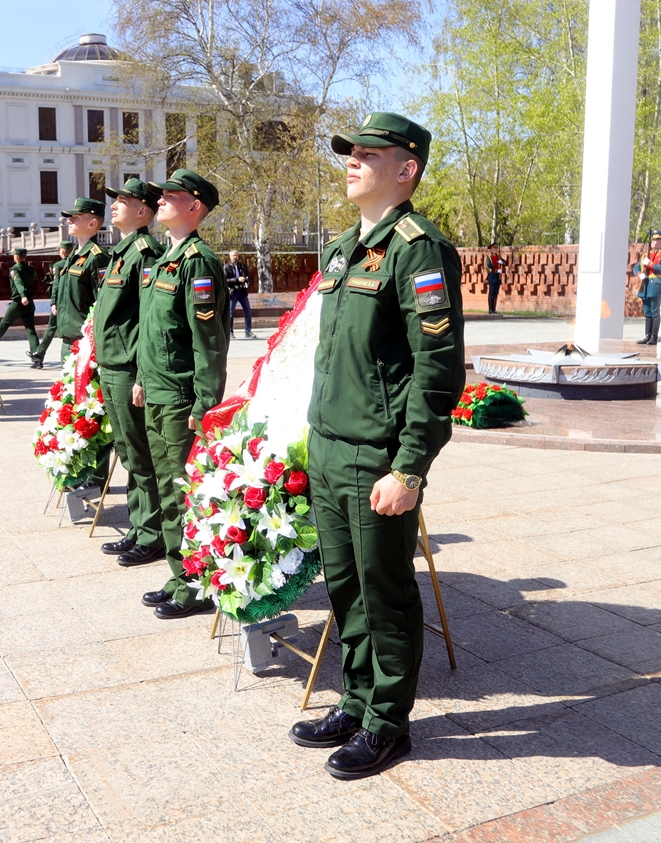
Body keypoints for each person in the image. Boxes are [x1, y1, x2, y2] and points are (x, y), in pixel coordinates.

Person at [288, 112, 465, 780]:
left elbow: (437, 369)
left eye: (368, 153)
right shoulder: (341, 249)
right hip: (330, 447)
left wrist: (410, 466)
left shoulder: (419, 249)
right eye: (350, 152)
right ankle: (357, 700)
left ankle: (388, 723)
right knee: (345, 589)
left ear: (407, 168)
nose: (352, 161)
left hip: (377, 458)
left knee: (384, 593)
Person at [136, 169, 229, 620]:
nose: (160, 201)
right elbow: (152, 330)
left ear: (194, 206)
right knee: (165, 489)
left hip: (179, 397)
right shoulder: (164, 259)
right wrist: (140, 377)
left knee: (182, 495)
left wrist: (205, 402)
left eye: (170, 196)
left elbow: (208, 341)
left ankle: (195, 586)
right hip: (155, 391)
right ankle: (180, 575)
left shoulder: (199, 262)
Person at [96, 178, 166, 568]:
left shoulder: (145, 253)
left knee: (140, 455)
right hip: (110, 365)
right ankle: (139, 527)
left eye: (122, 201)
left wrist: (141, 374)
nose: (113, 206)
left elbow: (147, 321)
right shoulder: (121, 253)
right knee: (127, 452)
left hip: (127, 368)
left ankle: (153, 535)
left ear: (142, 211)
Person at [53, 198, 110, 361]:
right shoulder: (74, 256)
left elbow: (102, 303)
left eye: (76, 217)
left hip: (85, 343)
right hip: (68, 341)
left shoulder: (97, 257)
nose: (69, 220)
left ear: (92, 223)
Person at [29, 241, 74, 369]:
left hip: (61, 302)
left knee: (51, 327)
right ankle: (39, 354)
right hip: (74, 302)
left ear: (63, 251)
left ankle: (40, 354)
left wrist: (54, 302)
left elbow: (56, 285)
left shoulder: (58, 265)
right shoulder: (77, 262)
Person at [0, 247, 39, 358]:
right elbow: (34, 280)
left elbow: (18, 282)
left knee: (4, 323)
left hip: (18, 303)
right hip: (30, 303)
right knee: (30, 329)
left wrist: (23, 296)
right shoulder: (31, 269)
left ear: (16, 256)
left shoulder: (14, 269)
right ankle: (37, 357)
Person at [633, 230, 661, 345]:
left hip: (655, 285)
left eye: (657, 240)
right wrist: (639, 274)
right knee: (647, 312)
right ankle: (647, 335)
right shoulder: (645, 255)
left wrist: (650, 264)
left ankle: (654, 336)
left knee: (655, 311)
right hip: (645, 285)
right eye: (653, 240)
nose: (654, 242)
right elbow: (636, 268)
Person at [224, 250, 254, 338]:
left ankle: (248, 331)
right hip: (233, 292)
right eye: (233, 256)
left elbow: (247, 277)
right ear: (230, 257)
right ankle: (230, 331)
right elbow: (225, 280)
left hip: (242, 291)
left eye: (236, 255)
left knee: (248, 311)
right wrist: (237, 280)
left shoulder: (242, 266)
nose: (235, 257)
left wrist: (247, 283)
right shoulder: (227, 267)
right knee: (231, 313)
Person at [484, 242, 507, 314]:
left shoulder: (498, 256)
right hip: (492, 276)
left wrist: (502, 262)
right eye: (494, 248)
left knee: (496, 293)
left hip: (498, 277)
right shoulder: (489, 257)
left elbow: (505, 262)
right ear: (491, 249)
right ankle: (490, 309)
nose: (495, 249)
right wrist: (496, 269)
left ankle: (494, 309)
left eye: (496, 248)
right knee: (491, 293)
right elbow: (489, 265)